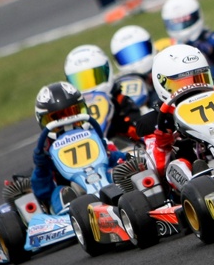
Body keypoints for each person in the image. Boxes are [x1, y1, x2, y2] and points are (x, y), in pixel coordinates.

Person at [142, 44, 214, 185]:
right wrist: (162, 146)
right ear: (162, 84)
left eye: (199, 79)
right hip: (195, 177)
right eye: (181, 84)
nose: (192, 89)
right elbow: (155, 169)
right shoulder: (156, 122)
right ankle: (201, 186)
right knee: (179, 165)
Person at [31, 81, 126, 213]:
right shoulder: (46, 151)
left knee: (115, 172)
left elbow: (118, 158)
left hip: (105, 183)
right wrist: (42, 168)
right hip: (75, 196)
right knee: (60, 193)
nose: (67, 123)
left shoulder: (94, 137)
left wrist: (128, 158)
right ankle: (70, 215)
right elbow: (42, 192)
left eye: (71, 113)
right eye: (57, 118)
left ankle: (122, 198)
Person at [64, 44, 143, 143]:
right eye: (80, 81)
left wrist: (120, 120)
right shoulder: (72, 112)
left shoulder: (120, 100)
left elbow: (140, 130)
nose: (90, 88)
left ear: (107, 72)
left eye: (95, 77)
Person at [160, 0, 214, 74]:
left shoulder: (207, 36)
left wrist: (211, 51)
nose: (182, 25)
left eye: (186, 20)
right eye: (177, 23)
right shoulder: (171, 47)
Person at [110, 25, 160, 110]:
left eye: (139, 50)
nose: (136, 61)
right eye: (127, 55)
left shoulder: (163, 68)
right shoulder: (120, 88)